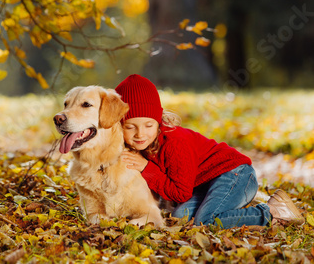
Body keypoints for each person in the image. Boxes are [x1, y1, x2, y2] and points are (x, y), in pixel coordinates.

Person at [115, 74, 305, 228]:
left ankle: (271, 211)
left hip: (235, 174)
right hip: (206, 183)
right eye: (130, 127)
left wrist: (147, 168)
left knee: (205, 221)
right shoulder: (136, 144)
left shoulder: (175, 142)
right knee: (181, 216)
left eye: (148, 125)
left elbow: (180, 193)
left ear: (158, 121)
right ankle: (237, 202)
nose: (140, 134)